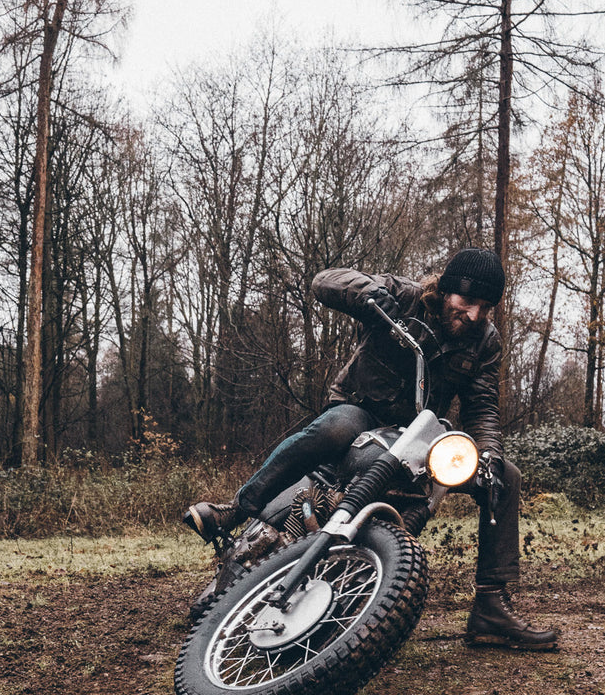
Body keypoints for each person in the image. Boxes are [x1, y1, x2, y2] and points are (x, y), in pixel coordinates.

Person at [183, 248, 558, 651]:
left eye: (485, 307)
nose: (474, 314)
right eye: (467, 301)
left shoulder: (485, 341)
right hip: (360, 409)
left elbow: (482, 408)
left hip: (419, 433)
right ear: (446, 289)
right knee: (337, 425)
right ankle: (237, 508)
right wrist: (367, 295)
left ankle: (490, 606)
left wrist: (489, 455)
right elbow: (325, 280)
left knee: (505, 476)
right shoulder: (405, 297)